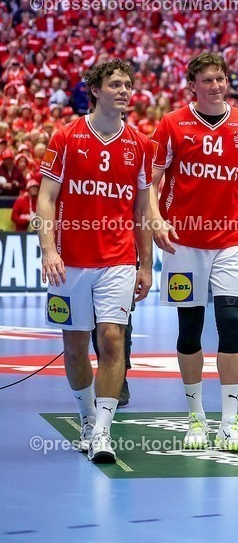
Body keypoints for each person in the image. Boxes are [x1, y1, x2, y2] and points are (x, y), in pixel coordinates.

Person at [150, 52, 238, 452]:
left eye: (221, 79)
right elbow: (150, 182)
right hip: (183, 242)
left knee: (230, 323)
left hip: (232, 242)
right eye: (207, 80)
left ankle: (231, 420)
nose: (216, 86)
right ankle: (195, 417)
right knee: (190, 328)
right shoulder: (172, 124)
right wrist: (156, 219)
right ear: (193, 85)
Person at [37, 60, 154, 463]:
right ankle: (86, 418)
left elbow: (142, 207)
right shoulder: (66, 137)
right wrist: (49, 249)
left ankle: (103, 431)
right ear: (96, 90)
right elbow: (47, 198)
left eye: (127, 85)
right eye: (115, 84)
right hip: (69, 261)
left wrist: (145, 264)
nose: (124, 90)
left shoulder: (140, 143)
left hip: (118, 259)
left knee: (111, 338)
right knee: (73, 348)